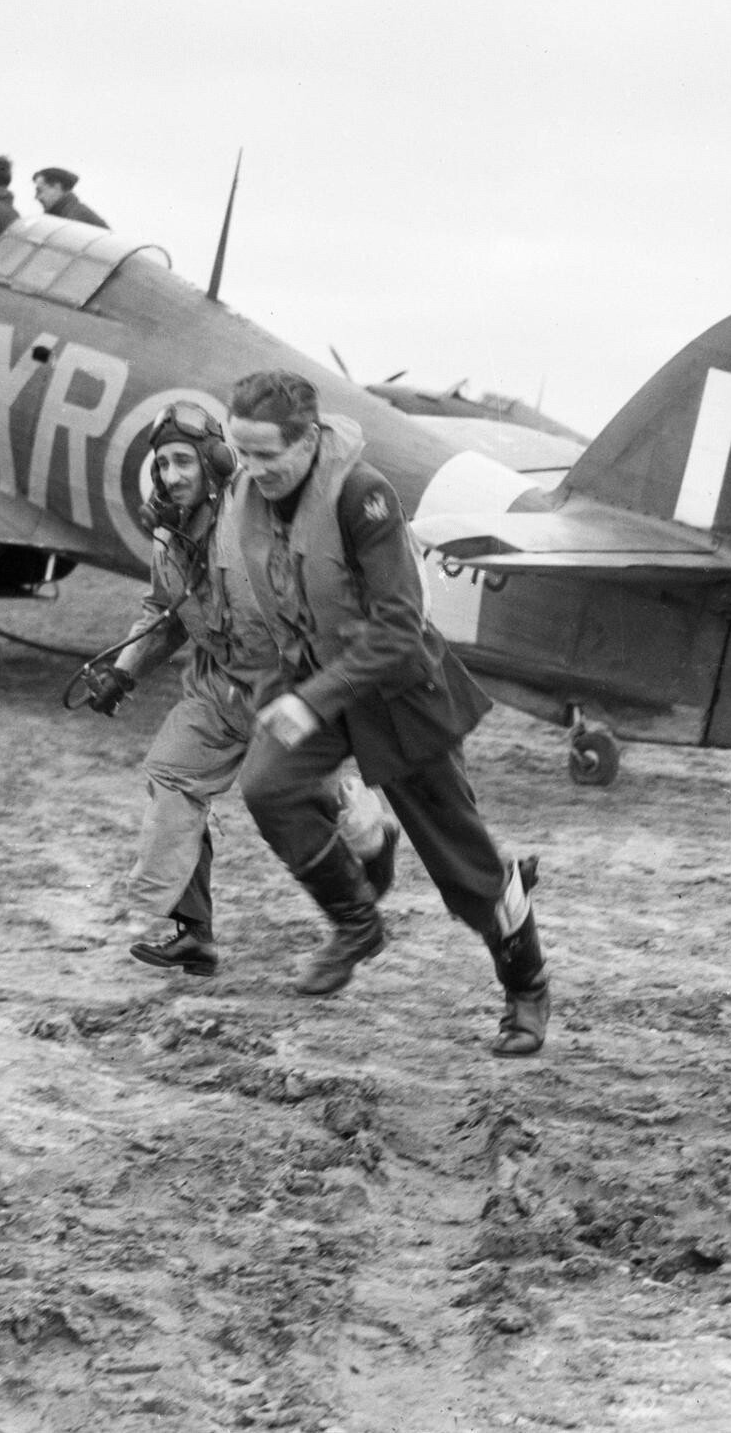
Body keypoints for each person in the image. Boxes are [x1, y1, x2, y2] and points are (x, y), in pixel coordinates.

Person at [223, 370, 552, 1056]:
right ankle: (356, 924)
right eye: (241, 453)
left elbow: (399, 629)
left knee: (466, 873)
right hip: (320, 682)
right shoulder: (251, 496)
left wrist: (309, 702)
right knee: (267, 788)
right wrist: (273, 694)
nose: (252, 470)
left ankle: (525, 989)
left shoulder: (362, 497)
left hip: (399, 693)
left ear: (309, 439)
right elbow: (272, 608)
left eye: (266, 455)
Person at [81, 402, 397, 980]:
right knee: (172, 776)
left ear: (215, 461)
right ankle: (192, 934)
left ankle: (373, 845)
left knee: (311, 798)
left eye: (183, 461)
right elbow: (164, 609)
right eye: (163, 464)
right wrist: (124, 670)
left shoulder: (256, 517)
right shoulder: (169, 533)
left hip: (283, 687)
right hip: (215, 687)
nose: (172, 475)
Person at [31, 166, 108, 228]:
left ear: (57, 187)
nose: (37, 197)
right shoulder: (63, 216)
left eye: (40, 191)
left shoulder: (73, 220)